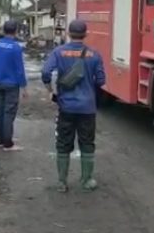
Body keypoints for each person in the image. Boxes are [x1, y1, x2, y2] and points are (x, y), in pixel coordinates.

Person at [42, 20, 106, 193]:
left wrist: (51, 91)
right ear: (85, 34)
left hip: (66, 107)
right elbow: (101, 81)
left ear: (68, 33)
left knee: (63, 143)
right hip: (87, 108)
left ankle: (62, 182)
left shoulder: (58, 52)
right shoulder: (94, 55)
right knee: (87, 143)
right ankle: (86, 180)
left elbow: (46, 72)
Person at [0, 20, 27, 151]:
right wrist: (23, 86)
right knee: (8, 113)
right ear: (16, 31)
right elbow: (19, 69)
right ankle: (8, 144)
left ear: (3, 30)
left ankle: (1, 140)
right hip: (12, 84)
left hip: (0, 82)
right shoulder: (15, 47)